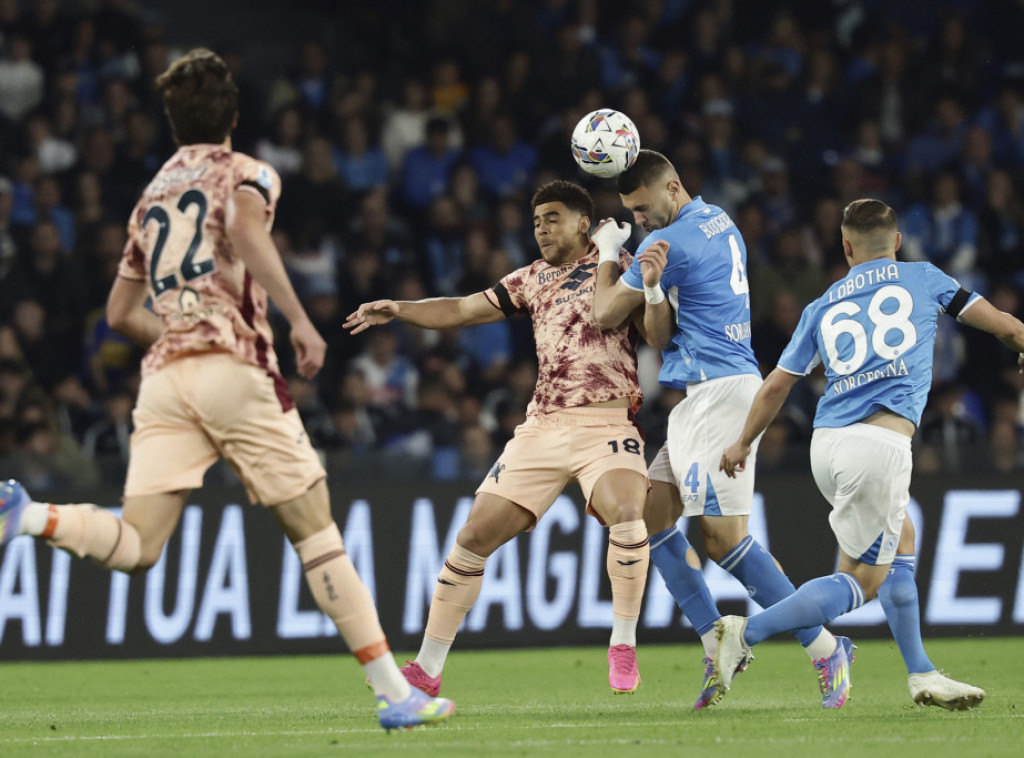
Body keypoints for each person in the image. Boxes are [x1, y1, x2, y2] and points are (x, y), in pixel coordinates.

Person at [0, 49, 453, 732]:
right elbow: (242, 226)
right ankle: (395, 692)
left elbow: (119, 313)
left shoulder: (151, 194)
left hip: (164, 380)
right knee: (315, 529)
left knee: (138, 545)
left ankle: (29, 517)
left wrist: (179, 331)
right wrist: (299, 320)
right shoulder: (247, 172)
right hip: (233, 368)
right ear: (233, 117)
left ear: (172, 121)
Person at [344, 179, 652, 695]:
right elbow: (463, 309)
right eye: (536, 222)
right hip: (542, 427)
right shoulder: (530, 278)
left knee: (626, 511)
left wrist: (617, 258)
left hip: (606, 424)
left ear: (584, 223)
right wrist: (400, 308)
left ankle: (622, 643)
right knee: (472, 537)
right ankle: (427, 669)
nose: (541, 229)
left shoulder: (622, 265)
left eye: (552, 218)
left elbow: (649, 321)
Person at [715, 198, 1021, 710]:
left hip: (827, 445)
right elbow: (1006, 327)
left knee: (903, 539)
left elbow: (776, 386)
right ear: (897, 242)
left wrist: (743, 441)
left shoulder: (822, 304)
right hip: (878, 447)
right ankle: (746, 632)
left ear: (846, 247)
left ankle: (921, 673)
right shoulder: (924, 277)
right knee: (863, 582)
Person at [592, 149, 850, 709]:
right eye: (630, 212)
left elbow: (605, 312)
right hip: (702, 395)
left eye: (641, 207)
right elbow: (660, 335)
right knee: (650, 518)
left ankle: (826, 647)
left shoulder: (675, 241)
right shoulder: (718, 220)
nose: (638, 219)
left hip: (720, 395)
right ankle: (715, 643)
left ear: (672, 187)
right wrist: (652, 288)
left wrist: (608, 254)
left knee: (723, 539)